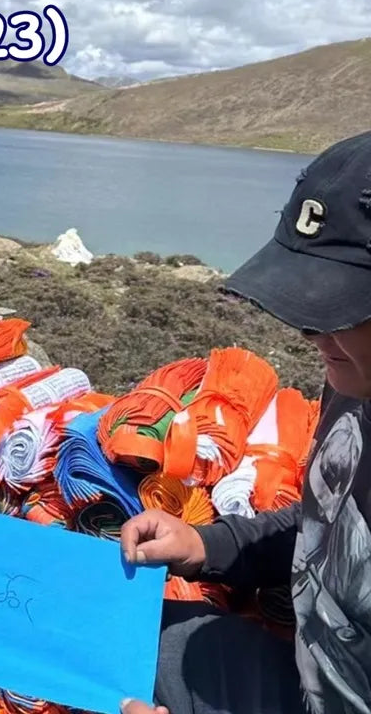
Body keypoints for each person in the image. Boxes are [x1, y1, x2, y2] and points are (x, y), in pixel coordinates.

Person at [119, 129, 371, 714]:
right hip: (309, 680)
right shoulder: (354, 380)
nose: (309, 332)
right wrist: (207, 545)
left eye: (341, 306)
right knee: (107, 636)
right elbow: (332, 523)